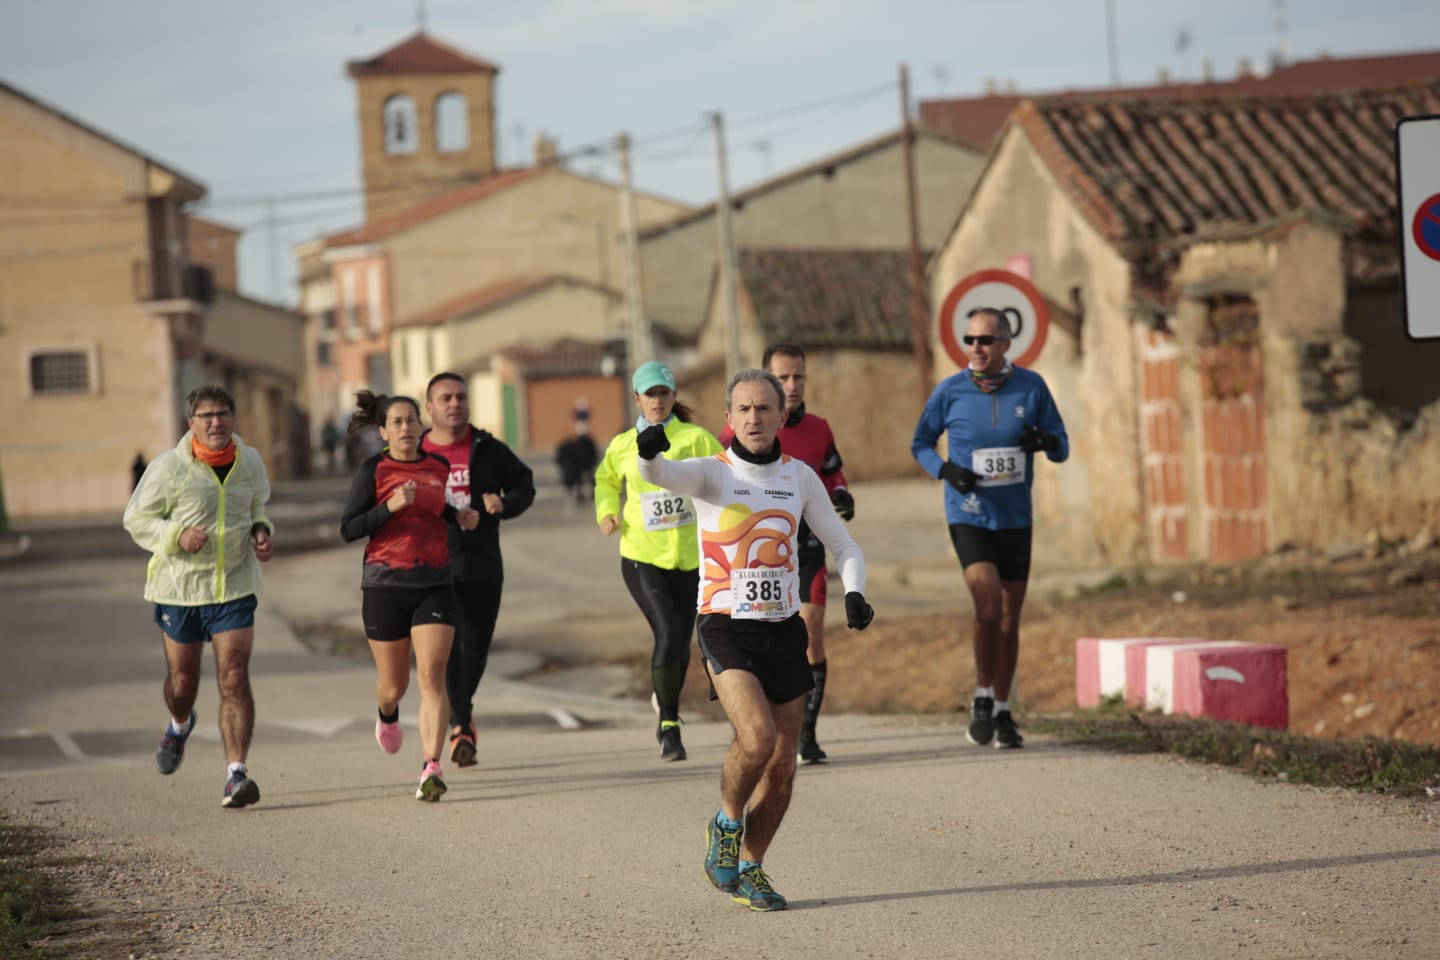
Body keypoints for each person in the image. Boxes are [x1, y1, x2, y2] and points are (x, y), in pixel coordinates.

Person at [638, 369, 875, 912]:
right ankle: (725, 822)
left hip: (783, 629)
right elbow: (660, 474)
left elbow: (845, 545)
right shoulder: (711, 473)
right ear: (728, 419)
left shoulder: (800, 478)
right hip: (724, 623)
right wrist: (650, 452)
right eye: (743, 409)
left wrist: (854, 592)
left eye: (764, 408)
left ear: (781, 415)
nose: (753, 418)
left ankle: (751, 867)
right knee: (758, 737)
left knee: (784, 764)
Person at [910, 307, 1068, 750]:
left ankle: (1002, 709)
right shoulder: (951, 391)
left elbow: (1062, 448)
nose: (975, 347)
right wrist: (946, 471)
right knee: (987, 605)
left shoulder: (1031, 387)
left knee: (1009, 619)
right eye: (969, 339)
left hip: (1015, 518)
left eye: (984, 340)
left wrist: (1046, 442)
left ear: (1004, 345)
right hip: (969, 512)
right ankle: (981, 696)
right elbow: (919, 442)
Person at [122, 384, 273, 809]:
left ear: (233, 418)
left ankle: (236, 775)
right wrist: (176, 535)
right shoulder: (169, 467)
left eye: (223, 413)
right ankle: (179, 723)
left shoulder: (250, 462)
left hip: (235, 586)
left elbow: (257, 506)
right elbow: (135, 519)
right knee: (183, 683)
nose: (216, 422)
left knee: (234, 677)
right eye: (206, 415)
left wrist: (262, 531)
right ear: (191, 424)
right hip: (181, 589)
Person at [340, 391, 480, 801]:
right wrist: (389, 508)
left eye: (411, 420)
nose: (405, 428)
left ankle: (431, 768)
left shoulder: (437, 466)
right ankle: (387, 713)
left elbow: (441, 510)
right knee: (394, 685)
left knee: (432, 674)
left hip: (434, 581)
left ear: (422, 426)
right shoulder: (372, 471)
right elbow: (348, 528)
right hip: (384, 585)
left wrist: (460, 517)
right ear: (383, 431)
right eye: (396, 422)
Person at [717, 344, 853, 764]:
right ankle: (755, 719)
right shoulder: (740, 428)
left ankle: (805, 733)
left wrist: (841, 493)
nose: (792, 386)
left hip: (806, 549)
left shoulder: (819, 428)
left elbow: (831, 473)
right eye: (784, 377)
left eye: (799, 377)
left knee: (811, 631)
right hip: (752, 559)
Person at [594, 361, 722, 762]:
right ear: (637, 398)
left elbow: (726, 476)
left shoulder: (697, 439)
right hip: (641, 556)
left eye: (664, 393)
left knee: (681, 642)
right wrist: (605, 512)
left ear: (673, 396)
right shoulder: (621, 445)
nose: (657, 401)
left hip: (691, 558)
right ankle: (669, 724)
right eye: (649, 394)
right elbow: (605, 480)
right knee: (667, 631)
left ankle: (665, 700)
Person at [420, 372, 536, 769]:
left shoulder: (486, 448)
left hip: (484, 563)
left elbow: (525, 484)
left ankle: (461, 718)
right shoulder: (415, 452)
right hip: (432, 566)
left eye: (461, 397)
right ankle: (460, 725)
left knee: (477, 649)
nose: (455, 404)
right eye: (446, 398)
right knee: (448, 649)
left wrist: (504, 504)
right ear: (429, 408)